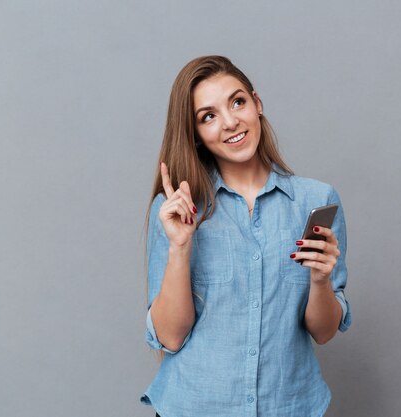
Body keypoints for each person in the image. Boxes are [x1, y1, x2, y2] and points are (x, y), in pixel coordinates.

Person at [140, 55, 352, 417]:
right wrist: (180, 247)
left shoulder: (316, 201)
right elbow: (171, 337)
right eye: (208, 116)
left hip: (290, 407)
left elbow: (324, 332)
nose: (230, 122)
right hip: (193, 406)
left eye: (237, 102)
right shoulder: (177, 209)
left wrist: (320, 280)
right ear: (196, 134)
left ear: (257, 103)